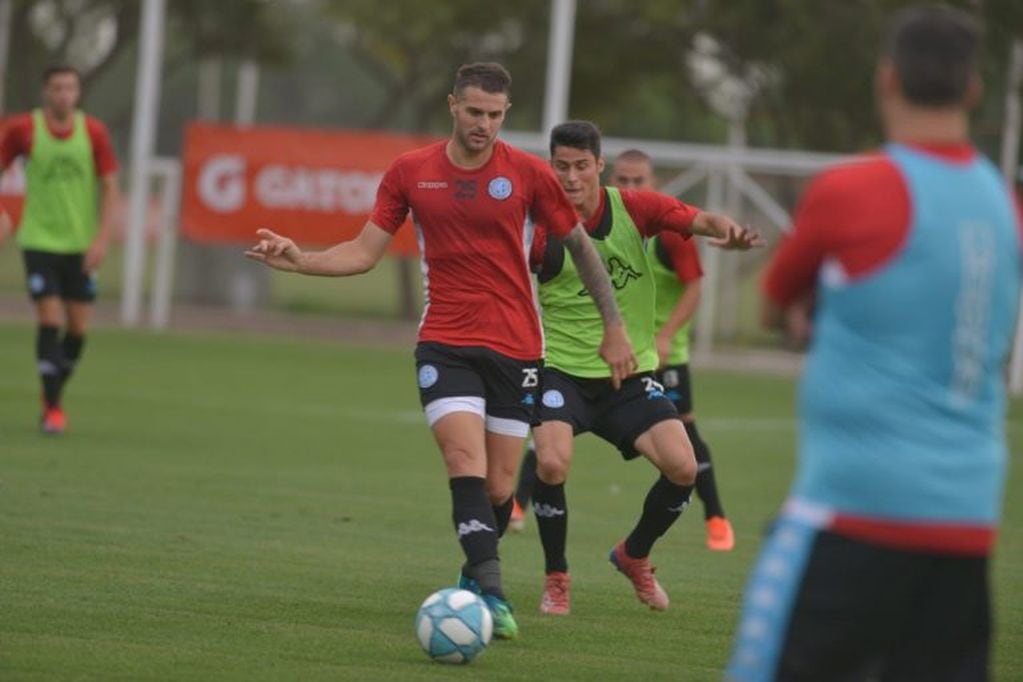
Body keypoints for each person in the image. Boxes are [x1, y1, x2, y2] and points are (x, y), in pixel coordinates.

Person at [245, 63, 636, 640]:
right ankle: (493, 591)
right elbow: (363, 251)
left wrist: (614, 327)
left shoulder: (528, 174)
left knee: (502, 489)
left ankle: (472, 579)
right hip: (446, 343)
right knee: (464, 463)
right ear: (453, 104)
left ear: (506, 113)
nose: (484, 124)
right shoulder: (411, 172)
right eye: (474, 111)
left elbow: (580, 247)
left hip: (518, 347)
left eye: (496, 115)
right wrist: (300, 259)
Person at [727, 6, 1021, 680]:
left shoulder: (853, 187)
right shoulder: (1003, 206)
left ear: (885, 80)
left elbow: (775, 306)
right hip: (966, 532)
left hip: (851, 515)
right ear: (972, 91)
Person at [528, 121, 761, 616]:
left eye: (581, 166)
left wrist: (729, 232)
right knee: (550, 463)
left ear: (599, 166)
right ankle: (556, 577)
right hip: (562, 371)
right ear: (552, 167)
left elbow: (700, 219)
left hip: (629, 378)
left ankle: (634, 555)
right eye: (562, 166)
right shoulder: (537, 224)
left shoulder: (633, 209)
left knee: (683, 467)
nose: (571, 177)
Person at [610, 148, 735, 551]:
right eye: (622, 180)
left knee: (685, 434)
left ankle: (715, 516)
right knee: (553, 424)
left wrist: (665, 337)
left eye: (638, 181)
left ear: (653, 185)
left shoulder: (667, 232)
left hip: (664, 354)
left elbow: (694, 288)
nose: (629, 187)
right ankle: (520, 506)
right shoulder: (600, 225)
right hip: (608, 350)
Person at [0, 65, 121, 435]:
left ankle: (51, 389)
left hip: (79, 244)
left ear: (78, 93)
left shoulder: (94, 132)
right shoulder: (24, 129)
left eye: (70, 88)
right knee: (50, 318)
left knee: (78, 331)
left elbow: (111, 187)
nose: (63, 94)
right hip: (38, 240)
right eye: (56, 88)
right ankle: (53, 409)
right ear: (45, 93)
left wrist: (101, 239)